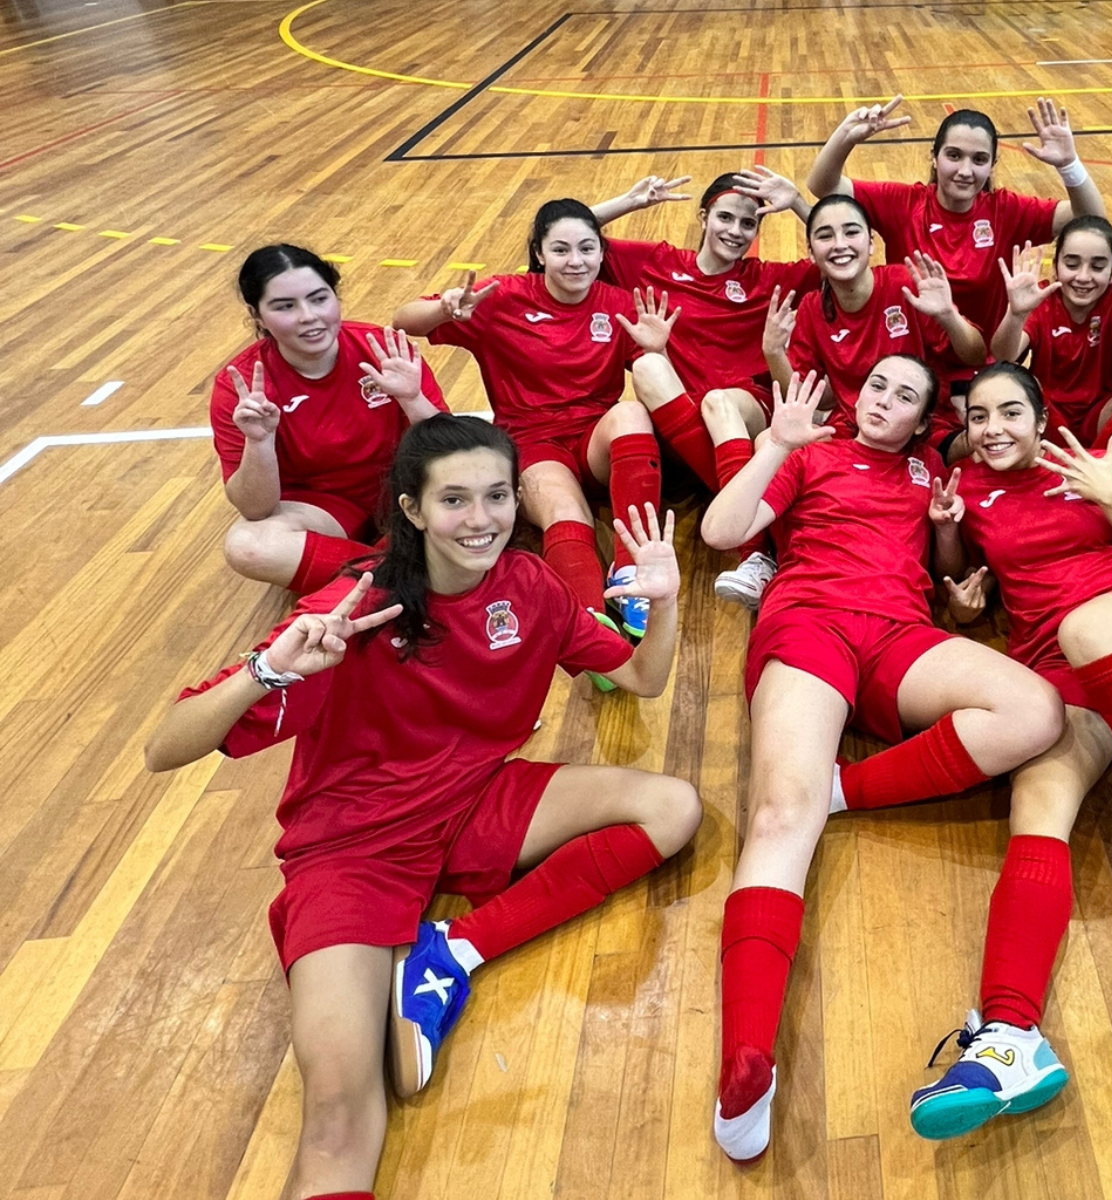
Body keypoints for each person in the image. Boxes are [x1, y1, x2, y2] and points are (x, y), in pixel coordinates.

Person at [143, 414, 700, 1200]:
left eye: (498, 497)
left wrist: (668, 603)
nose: (482, 520)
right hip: (351, 848)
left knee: (672, 808)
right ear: (410, 510)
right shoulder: (351, 610)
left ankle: (453, 951)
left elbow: (641, 679)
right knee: (339, 1113)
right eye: (455, 501)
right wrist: (267, 668)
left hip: (472, 799)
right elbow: (163, 746)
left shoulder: (530, 586)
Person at [698, 360, 1064, 1162]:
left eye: (904, 396)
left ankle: (846, 788)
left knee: (1037, 710)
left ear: (926, 422)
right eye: (875, 387)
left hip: (900, 635)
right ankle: (745, 1061)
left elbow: (947, 577)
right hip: (811, 623)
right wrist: (772, 442)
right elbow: (721, 532)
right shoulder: (809, 450)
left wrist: (943, 532)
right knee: (778, 817)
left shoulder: (934, 472)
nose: (880, 401)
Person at [902, 362, 1112, 1142]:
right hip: (1053, 659)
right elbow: (962, 591)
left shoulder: (1090, 461)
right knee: (1035, 813)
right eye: (979, 417)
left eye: (1012, 412)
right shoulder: (966, 485)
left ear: (1041, 419)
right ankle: (1010, 1039)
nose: (995, 427)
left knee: (1088, 628)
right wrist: (953, 568)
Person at [393, 199, 671, 643]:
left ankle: (631, 570)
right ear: (539, 254)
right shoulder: (501, 297)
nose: (576, 261)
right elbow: (404, 320)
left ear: (602, 253)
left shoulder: (619, 304)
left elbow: (662, 385)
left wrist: (656, 350)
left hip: (594, 443)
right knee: (564, 509)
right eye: (561, 250)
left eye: (587, 248)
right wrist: (445, 308)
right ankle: (588, 623)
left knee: (632, 410)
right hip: (533, 445)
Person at [590, 169, 820, 607]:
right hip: (679, 423)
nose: (735, 231)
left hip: (741, 412)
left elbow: (840, 249)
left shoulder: (766, 277)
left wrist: (796, 204)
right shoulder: (656, 262)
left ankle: (755, 554)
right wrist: (629, 202)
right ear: (703, 216)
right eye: (726, 218)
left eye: (748, 224)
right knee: (648, 368)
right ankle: (750, 530)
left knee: (717, 401)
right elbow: (570, 232)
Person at [806, 96, 1105, 392]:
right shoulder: (905, 204)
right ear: (934, 157)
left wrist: (1070, 165)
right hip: (909, 363)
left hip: (980, 366)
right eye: (954, 155)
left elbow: (1090, 218)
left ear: (991, 165)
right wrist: (846, 136)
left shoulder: (1006, 210)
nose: (965, 171)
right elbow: (823, 186)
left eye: (979, 160)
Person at [212, 244, 447, 593]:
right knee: (247, 545)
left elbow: (454, 450)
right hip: (327, 510)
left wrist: (412, 399)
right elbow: (255, 508)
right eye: (285, 306)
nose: (309, 316)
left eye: (319, 298)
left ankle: (358, 571)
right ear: (257, 314)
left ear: (335, 297)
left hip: (407, 489)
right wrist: (259, 441)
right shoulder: (242, 386)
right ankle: (396, 580)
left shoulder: (382, 349)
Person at [764, 193, 985, 437]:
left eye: (851, 232)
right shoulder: (811, 307)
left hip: (921, 430)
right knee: (769, 442)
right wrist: (773, 352)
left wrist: (948, 317)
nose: (839, 244)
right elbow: (804, 398)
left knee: (971, 447)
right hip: (854, 432)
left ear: (870, 243)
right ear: (811, 252)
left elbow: (975, 355)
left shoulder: (904, 283)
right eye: (825, 235)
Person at [988, 216, 1112, 465]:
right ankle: (1086, 474)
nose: (1083, 277)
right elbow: (1004, 357)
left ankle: (1098, 474)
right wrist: (1016, 314)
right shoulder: (1041, 297)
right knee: (1014, 382)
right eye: (1072, 264)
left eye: (1097, 267)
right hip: (1045, 421)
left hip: (1103, 422)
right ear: (1055, 267)